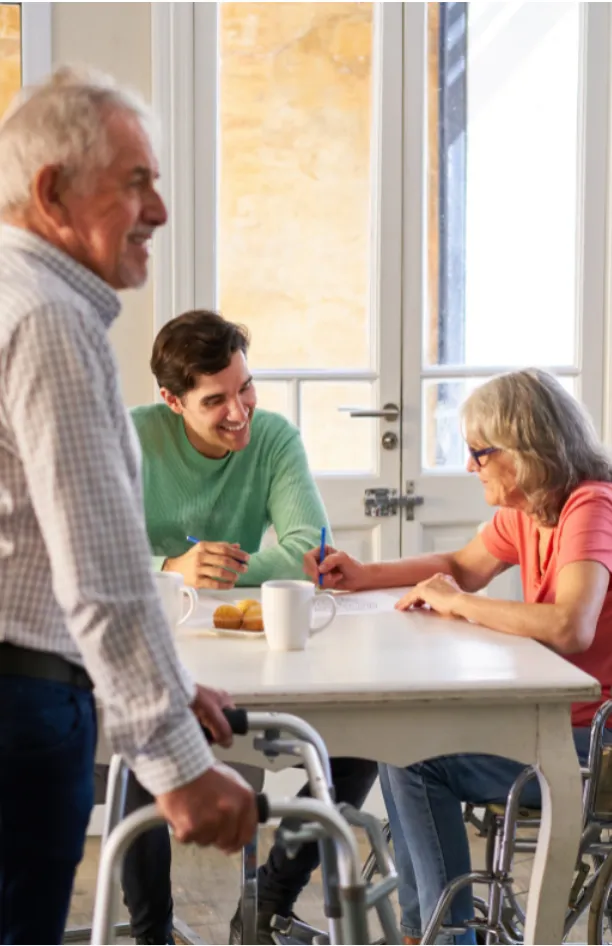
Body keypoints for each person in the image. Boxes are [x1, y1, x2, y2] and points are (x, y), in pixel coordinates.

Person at [0, 66, 257, 946]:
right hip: (21, 705)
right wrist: (178, 770)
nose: (161, 209)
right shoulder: (46, 318)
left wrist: (174, 687)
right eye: (135, 180)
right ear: (52, 192)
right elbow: (99, 566)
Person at [304, 368, 612, 945]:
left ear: (522, 453)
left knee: (417, 759)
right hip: (552, 725)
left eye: (478, 452)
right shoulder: (532, 509)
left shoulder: (591, 506)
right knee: (404, 745)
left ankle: (446, 936)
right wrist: (366, 575)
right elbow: (463, 567)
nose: (469, 466)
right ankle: (433, 933)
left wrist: (461, 605)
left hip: (595, 747)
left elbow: (571, 626)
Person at [122, 309, 378, 944]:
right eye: (216, 400)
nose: (239, 411)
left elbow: (309, 551)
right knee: (143, 756)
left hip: (247, 643)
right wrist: (170, 566)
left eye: (246, 388)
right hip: (151, 645)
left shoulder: (274, 438)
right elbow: (95, 550)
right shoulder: (129, 436)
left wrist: (218, 573)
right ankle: (151, 932)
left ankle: (270, 895)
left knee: (357, 744)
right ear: (171, 402)